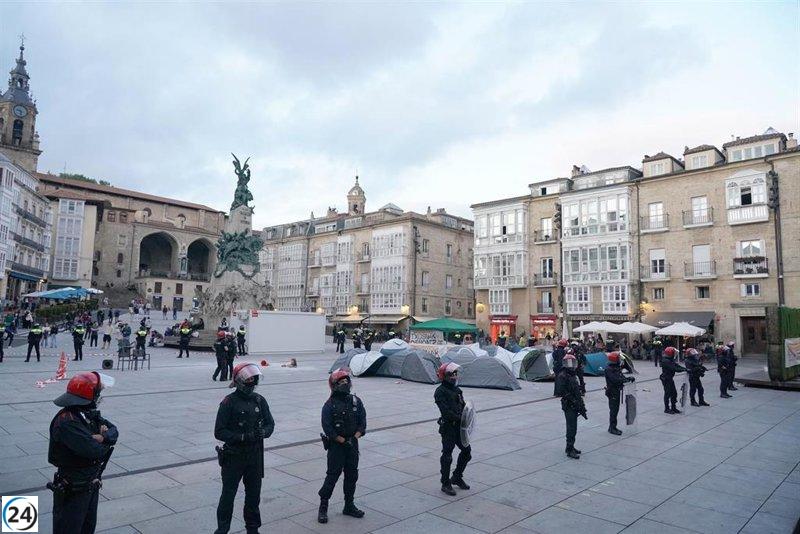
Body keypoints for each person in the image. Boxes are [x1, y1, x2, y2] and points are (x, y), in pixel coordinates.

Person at [49, 371, 118, 534]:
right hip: (74, 487)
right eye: (98, 393)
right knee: (70, 528)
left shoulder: (87, 414)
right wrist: (105, 442)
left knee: (87, 527)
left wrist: (102, 437)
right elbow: (94, 452)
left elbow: (114, 431)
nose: (99, 397)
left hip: (90, 484)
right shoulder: (67, 421)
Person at [214, 363, 275, 534]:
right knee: (228, 495)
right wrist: (241, 437)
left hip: (254, 456)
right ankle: (222, 529)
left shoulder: (259, 400)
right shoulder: (229, 402)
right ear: (239, 381)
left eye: (253, 379)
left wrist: (265, 432)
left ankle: (253, 528)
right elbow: (219, 431)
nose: (251, 382)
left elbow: (270, 424)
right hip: (234, 456)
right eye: (248, 378)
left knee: (254, 496)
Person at [317, 368, 367, 523]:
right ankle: (323, 507)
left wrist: (354, 438)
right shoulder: (329, 405)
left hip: (352, 444)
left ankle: (349, 505)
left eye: (347, 381)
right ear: (334, 385)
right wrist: (342, 441)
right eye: (341, 382)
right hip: (337, 447)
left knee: (352, 476)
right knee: (332, 476)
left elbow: (362, 423)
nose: (345, 384)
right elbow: (328, 429)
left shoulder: (356, 401)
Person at [435, 362, 472, 496]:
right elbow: (446, 412)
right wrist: (459, 418)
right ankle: (445, 483)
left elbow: (463, 406)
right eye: (452, 374)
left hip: (460, 428)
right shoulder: (440, 391)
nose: (455, 376)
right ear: (445, 376)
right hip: (449, 428)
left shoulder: (457, 390)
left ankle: (456, 476)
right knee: (447, 455)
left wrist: (467, 416)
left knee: (467, 452)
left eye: (456, 373)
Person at [556, 354, 585, 459]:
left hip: (574, 403)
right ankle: (569, 448)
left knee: (574, 427)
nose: (571, 365)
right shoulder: (562, 376)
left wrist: (580, 403)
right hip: (569, 405)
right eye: (569, 363)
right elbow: (561, 391)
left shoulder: (572, 375)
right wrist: (573, 401)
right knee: (571, 427)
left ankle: (571, 446)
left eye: (572, 363)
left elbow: (576, 390)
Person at [604, 351, 634, 435]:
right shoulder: (609, 369)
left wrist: (628, 378)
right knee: (614, 410)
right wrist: (626, 380)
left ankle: (613, 426)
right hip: (612, 392)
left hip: (616, 391)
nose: (619, 360)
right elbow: (616, 380)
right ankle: (612, 428)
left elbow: (621, 377)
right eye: (618, 358)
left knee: (615, 410)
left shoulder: (615, 367)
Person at [660, 346, 686, 414]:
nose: (675, 354)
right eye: (674, 353)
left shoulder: (670, 359)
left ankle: (673, 408)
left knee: (674, 394)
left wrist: (685, 369)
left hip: (670, 378)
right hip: (666, 379)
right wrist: (684, 370)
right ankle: (667, 409)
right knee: (667, 394)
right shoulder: (665, 361)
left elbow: (677, 366)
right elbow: (674, 368)